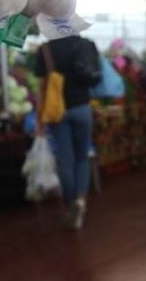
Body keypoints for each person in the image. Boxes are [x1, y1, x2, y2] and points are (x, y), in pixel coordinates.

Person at [35, 35, 99, 230]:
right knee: (82, 158)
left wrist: (39, 119)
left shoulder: (45, 50)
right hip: (82, 108)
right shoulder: (86, 44)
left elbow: (41, 88)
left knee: (66, 160)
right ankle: (81, 200)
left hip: (57, 111)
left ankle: (72, 205)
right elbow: (95, 76)